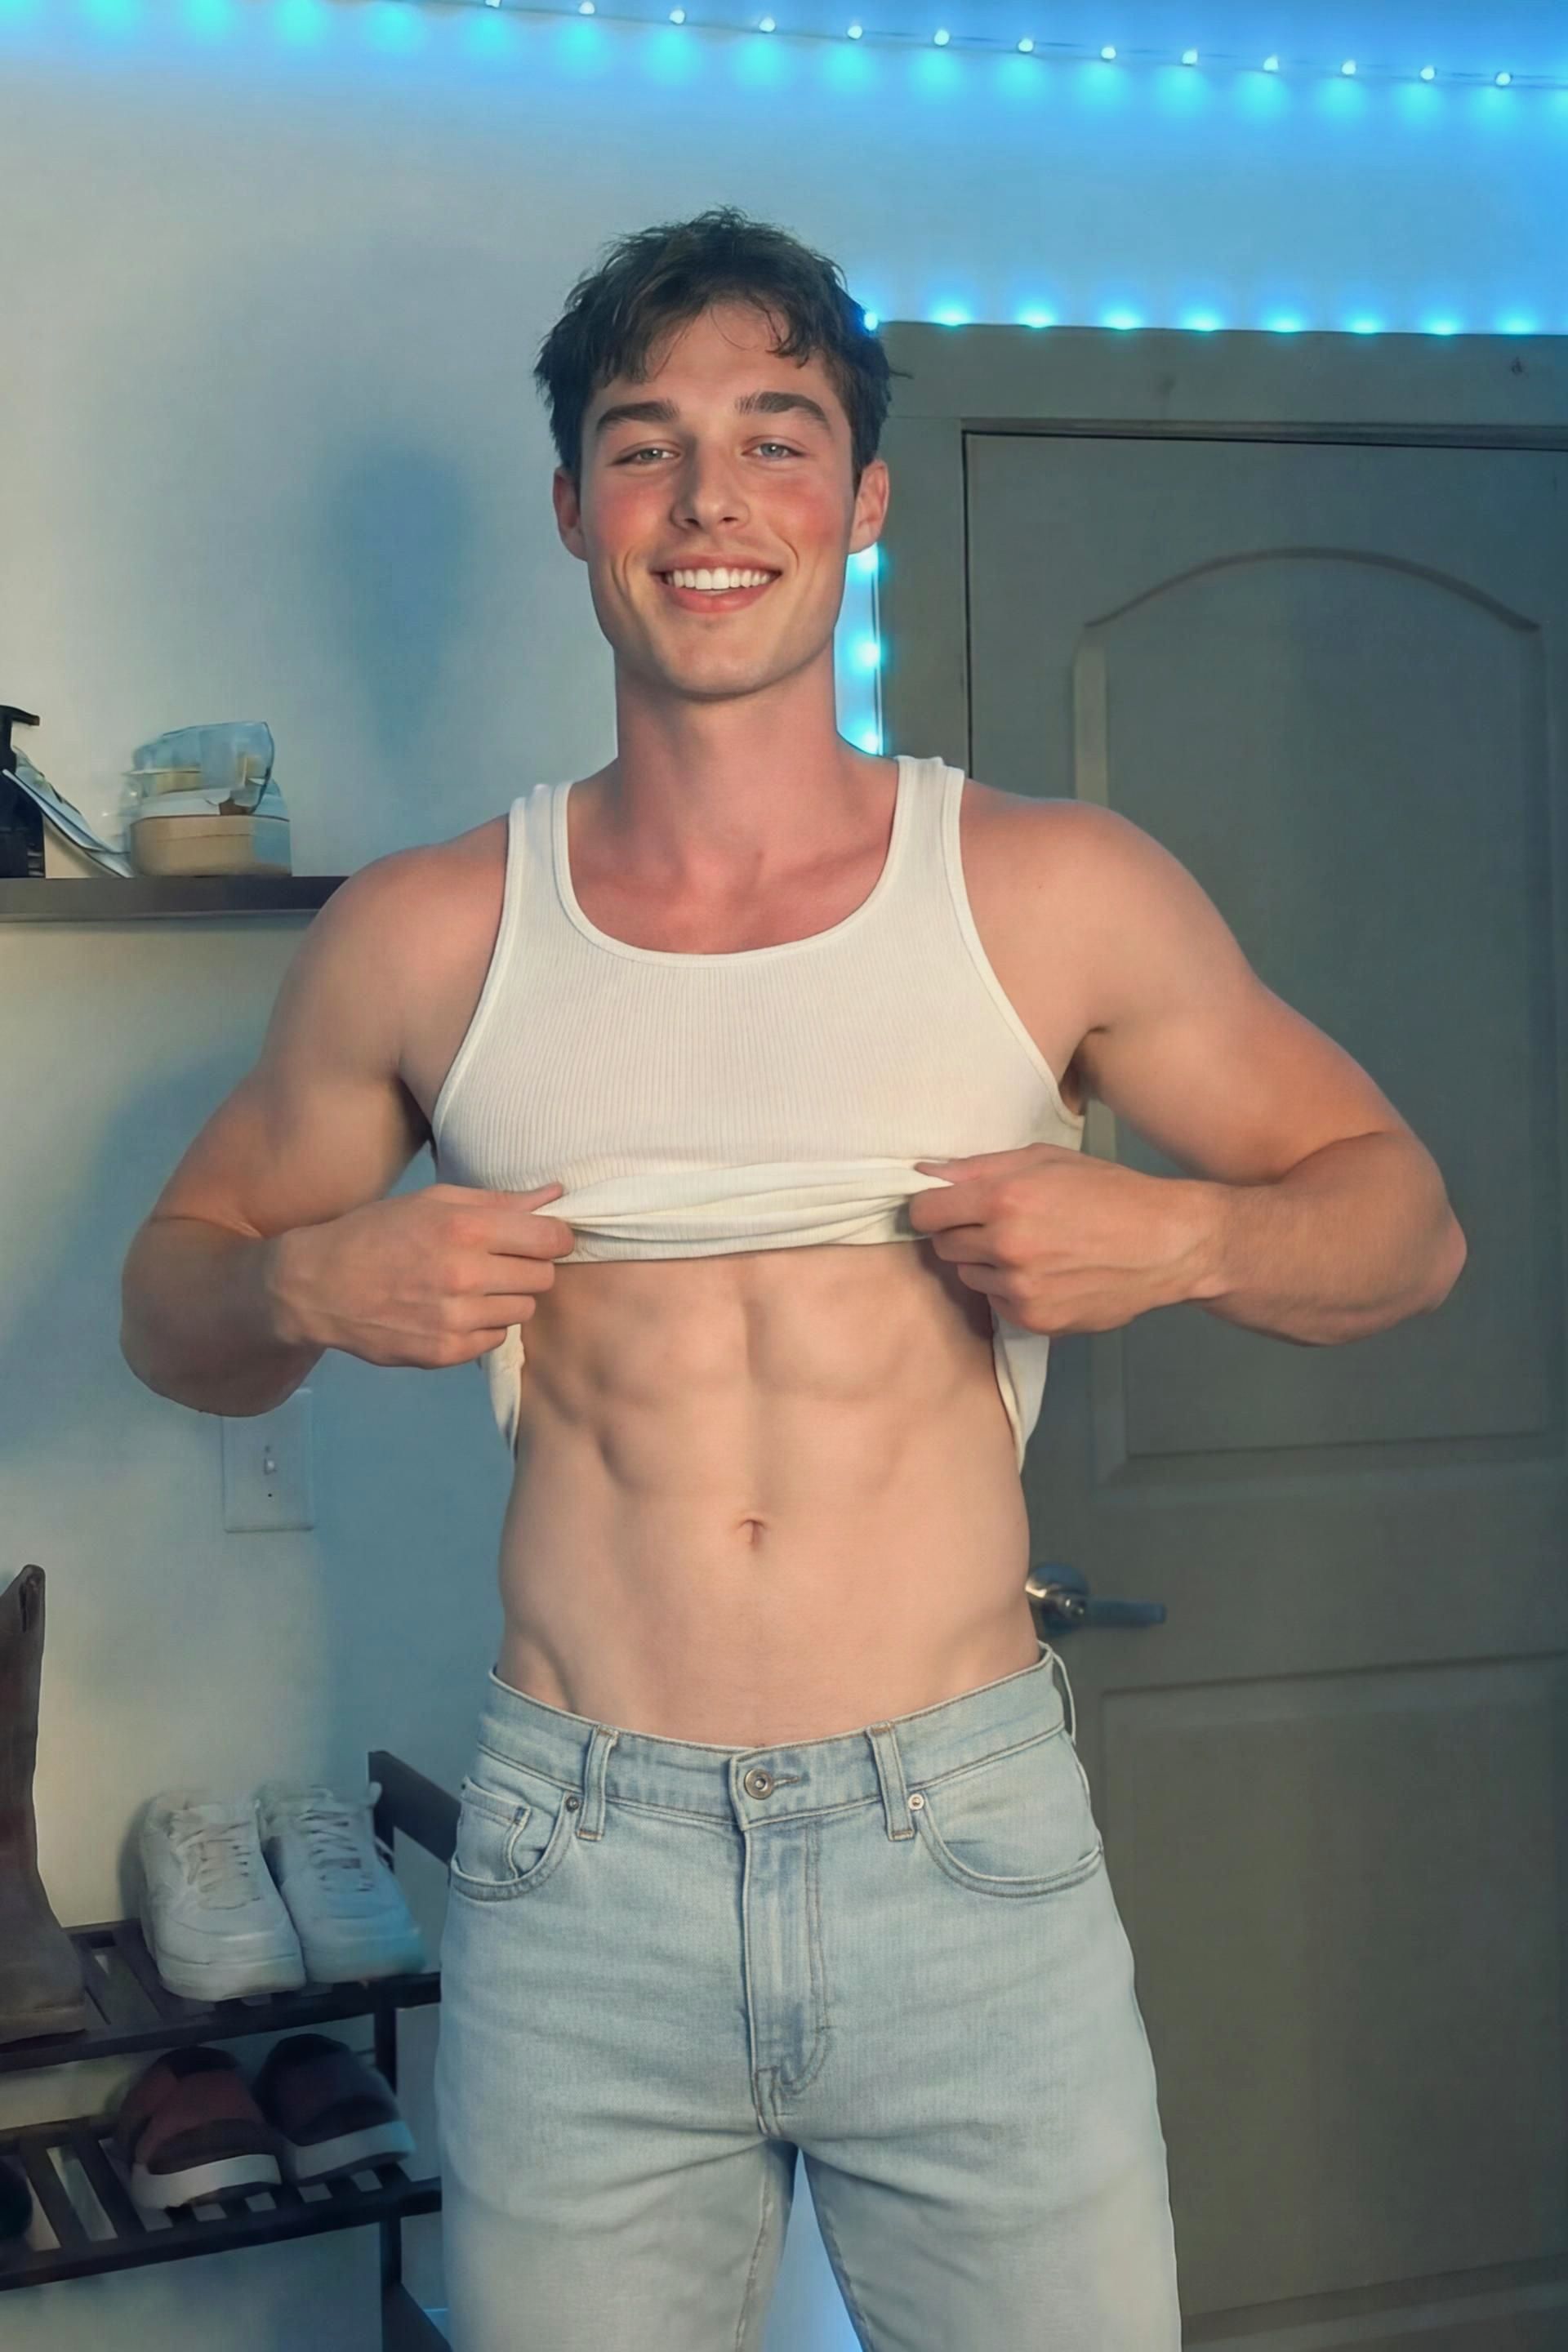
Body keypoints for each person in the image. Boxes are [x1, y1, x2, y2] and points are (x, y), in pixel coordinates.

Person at [120, 207, 1465, 2351]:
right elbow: (169, 1306)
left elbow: (1404, 1221)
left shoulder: (1050, 890)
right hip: (581, 1866)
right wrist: (303, 1284)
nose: (710, 498)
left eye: (774, 436)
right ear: (573, 509)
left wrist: (1187, 1235)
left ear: (859, 496)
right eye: (645, 445)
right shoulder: (430, 933)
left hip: (966, 1844)